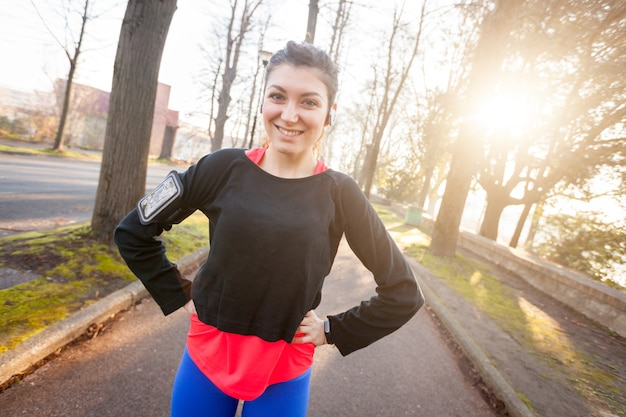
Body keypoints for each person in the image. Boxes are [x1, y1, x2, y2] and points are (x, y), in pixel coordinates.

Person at [114, 40, 424, 417]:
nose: (289, 115)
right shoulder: (219, 168)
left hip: (284, 366)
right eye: (278, 96)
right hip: (208, 354)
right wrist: (177, 293)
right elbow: (134, 232)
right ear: (263, 101)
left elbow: (404, 293)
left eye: (308, 102)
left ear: (329, 114)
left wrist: (332, 330)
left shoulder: (341, 193)